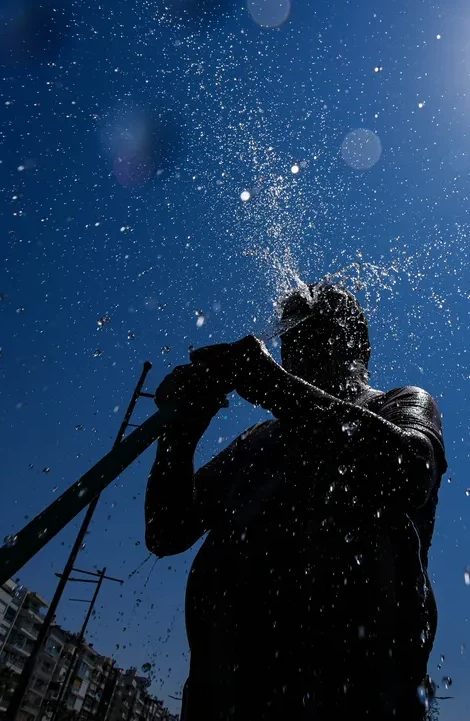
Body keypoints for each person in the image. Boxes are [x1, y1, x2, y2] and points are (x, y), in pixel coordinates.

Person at [145, 282, 446, 721]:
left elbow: (408, 471)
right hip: (224, 694)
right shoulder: (254, 442)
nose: (301, 347)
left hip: (358, 696)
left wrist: (274, 387)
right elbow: (167, 532)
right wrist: (180, 432)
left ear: (358, 343)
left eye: (317, 331)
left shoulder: (399, 405)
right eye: (292, 336)